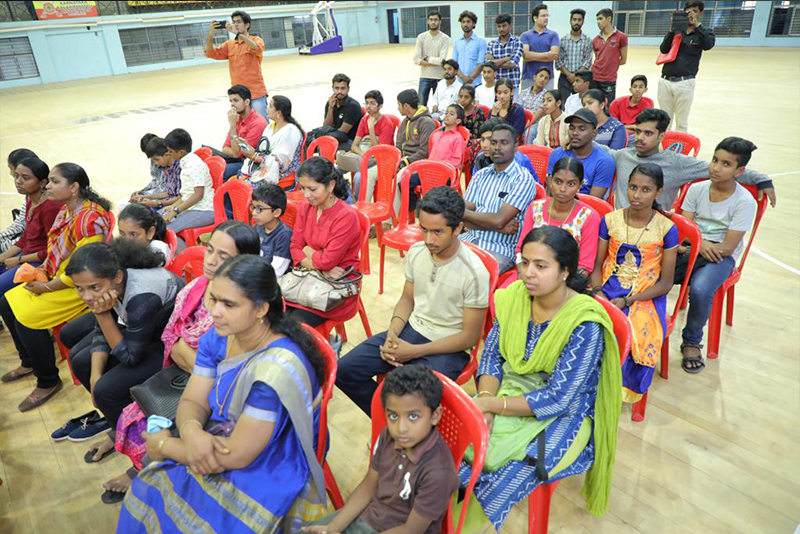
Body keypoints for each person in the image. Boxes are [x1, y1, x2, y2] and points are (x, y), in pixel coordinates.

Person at [117, 255, 329, 532]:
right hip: (222, 435)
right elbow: (192, 399)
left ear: (261, 309)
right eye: (213, 299)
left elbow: (236, 457)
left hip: (271, 460)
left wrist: (164, 446)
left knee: (164, 495)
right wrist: (192, 432)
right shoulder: (219, 337)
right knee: (148, 492)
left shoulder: (275, 368)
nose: (215, 311)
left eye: (229, 304)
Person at [459, 226, 621, 532]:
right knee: (450, 450)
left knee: (499, 477)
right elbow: (492, 357)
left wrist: (491, 405)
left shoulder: (584, 324)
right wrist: (486, 401)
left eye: (541, 266)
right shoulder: (514, 299)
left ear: (565, 271)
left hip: (566, 415)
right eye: (524, 262)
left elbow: (558, 398)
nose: (528, 273)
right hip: (507, 391)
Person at [110, 221, 260, 502]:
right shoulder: (195, 288)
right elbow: (173, 341)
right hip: (188, 376)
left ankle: (165, 480)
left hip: (223, 394)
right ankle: (151, 474)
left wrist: (188, 355)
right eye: (209, 250)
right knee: (135, 413)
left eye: (224, 256)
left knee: (154, 426)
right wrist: (188, 356)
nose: (211, 261)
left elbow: (222, 373)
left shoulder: (246, 314)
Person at [337, 187, 489, 415]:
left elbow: (469, 337)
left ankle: (401, 424)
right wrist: (392, 334)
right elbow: (407, 299)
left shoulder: (474, 272)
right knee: (344, 371)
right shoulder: (417, 251)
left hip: (449, 347)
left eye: (437, 232)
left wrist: (414, 351)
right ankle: (391, 422)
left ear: (458, 228)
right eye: (423, 229)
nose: (428, 239)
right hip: (412, 330)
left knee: (407, 400)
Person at [66, 240, 183, 477]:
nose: (87, 296)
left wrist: (102, 314)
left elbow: (130, 357)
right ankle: (118, 429)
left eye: (94, 287)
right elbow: (102, 329)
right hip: (146, 333)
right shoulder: (113, 283)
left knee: (106, 391)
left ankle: (143, 459)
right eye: (79, 288)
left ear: (117, 277)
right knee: (81, 362)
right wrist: (95, 377)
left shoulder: (141, 295)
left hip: (171, 343)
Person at [0, 163, 112, 410]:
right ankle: (29, 361)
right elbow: (55, 253)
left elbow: (84, 271)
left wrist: (47, 287)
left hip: (82, 287)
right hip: (58, 276)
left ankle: (48, 380)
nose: (48, 186)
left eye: (54, 181)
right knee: (6, 302)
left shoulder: (90, 220)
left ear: (74, 187)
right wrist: (44, 274)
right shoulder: (67, 210)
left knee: (27, 318)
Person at [308, 366, 459, 534]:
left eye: (413, 416)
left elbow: (411, 530)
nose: (401, 428)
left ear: (435, 416)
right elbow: (368, 487)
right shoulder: (388, 435)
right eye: (393, 416)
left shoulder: (438, 473)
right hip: (368, 516)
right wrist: (332, 528)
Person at [590, 163, 678, 403]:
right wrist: (599, 294)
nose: (637, 195)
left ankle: (612, 391)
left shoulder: (666, 229)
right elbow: (596, 267)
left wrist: (628, 300)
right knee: (581, 320)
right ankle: (583, 383)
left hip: (644, 295)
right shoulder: (610, 220)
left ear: (658, 192)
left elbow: (666, 283)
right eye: (632, 187)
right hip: (604, 289)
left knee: (636, 332)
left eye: (645, 190)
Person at [676, 137, 758, 373]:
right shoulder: (696, 189)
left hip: (720, 256)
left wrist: (697, 244)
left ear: (739, 171)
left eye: (726, 164)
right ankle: (650, 327)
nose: (716, 168)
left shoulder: (744, 201)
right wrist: (698, 244)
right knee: (654, 272)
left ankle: (691, 341)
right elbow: (685, 229)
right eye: (714, 160)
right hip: (693, 247)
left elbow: (728, 247)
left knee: (701, 290)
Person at [603, 108, 776, 209]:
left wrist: (761, 180)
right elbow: (597, 148)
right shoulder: (623, 156)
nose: (640, 138)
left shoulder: (677, 163)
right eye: (638, 132)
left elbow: (720, 169)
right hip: (619, 228)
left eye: (648, 133)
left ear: (661, 136)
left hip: (653, 233)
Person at [287, 157, 361, 327]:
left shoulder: (346, 216)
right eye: (303, 188)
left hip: (336, 288)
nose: (306, 195)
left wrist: (307, 250)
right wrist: (319, 266)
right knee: (272, 312)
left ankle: (324, 344)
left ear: (331, 185)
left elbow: (327, 261)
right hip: (309, 277)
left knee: (291, 326)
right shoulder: (305, 207)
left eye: (312, 189)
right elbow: (294, 246)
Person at [461, 124, 536, 273]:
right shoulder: (481, 175)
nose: (497, 147)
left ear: (515, 147)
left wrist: (492, 222)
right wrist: (496, 225)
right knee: (434, 258)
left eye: (504, 143)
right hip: (468, 239)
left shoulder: (522, 179)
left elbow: (499, 220)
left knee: (472, 275)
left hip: (498, 249)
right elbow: (460, 214)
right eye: (494, 142)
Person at [519, 157, 600, 275]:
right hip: (529, 273)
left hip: (566, 280)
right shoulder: (535, 207)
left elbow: (584, 266)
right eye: (558, 182)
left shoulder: (588, 217)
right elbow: (520, 249)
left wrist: (557, 282)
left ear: (580, 185)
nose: (563, 189)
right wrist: (522, 273)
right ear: (550, 181)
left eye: (571, 184)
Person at [0, 158, 62, 296]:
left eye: (26, 178)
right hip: (25, 256)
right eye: (16, 176)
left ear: (42, 182)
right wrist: (3, 257)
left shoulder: (50, 208)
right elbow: (25, 238)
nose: (18, 181)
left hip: (36, 263)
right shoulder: (31, 199)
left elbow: (52, 250)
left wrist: (18, 260)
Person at [658, 1, 715, 132]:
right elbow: (663, 49)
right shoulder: (677, 31)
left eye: (695, 11)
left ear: (701, 13)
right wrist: (672, 30)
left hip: (685, 82)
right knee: (664, 121)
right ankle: (663, 145)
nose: (691, 14)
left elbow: (708, 45)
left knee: (681, 123)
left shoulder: (704, 32)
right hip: (665, 81)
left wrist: (697, 25)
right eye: (688, 11)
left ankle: (679, 145)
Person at [204, 10, 268, 119]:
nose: (235, 24)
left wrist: (238, 34)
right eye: (234, 22)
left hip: (256, 93)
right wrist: (210, 34)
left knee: (261, 122)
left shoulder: (256, 40)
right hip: (238, 95)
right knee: (241, 124)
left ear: (247, 25)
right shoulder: (230, 44)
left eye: (239, 22)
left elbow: (256, 47)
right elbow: (211, 53)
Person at [162, 128, 215, 251]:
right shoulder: (186, 163)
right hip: (193, 207)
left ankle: (191, 257)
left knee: (165, 231)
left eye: (171, 151)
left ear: (181, 152)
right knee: (159, 221)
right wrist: (172, 206)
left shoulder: (195, 165)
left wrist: (176, 210)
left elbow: (198, 195)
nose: (169, 154)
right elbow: (186, 194)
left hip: (204, 210)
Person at [238, 95, 304, 188]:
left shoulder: (290, 131)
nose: (267, 108)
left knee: (243, 188)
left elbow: (280, 163)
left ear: (278, 113)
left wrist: (254, 157)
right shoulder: (270, 127)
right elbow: (263, 150)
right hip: (263, 168)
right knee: (238, 180)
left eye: (270, 106)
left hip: (281, 174)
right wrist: (249, 149)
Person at [547, 108, 615, 199]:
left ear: (594, 133)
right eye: (572, 128)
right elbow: (551, 192)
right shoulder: (556, 154)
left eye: (582, 129)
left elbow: (593, 201)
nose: (575, 133)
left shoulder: (604, 162)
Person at [220, 84, 268, 180]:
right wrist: (234, 151)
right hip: (238, 160)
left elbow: (238, 154)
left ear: (247, 102)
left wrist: (233, 126)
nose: (232, 104)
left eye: (236, 100)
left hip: (250, 163)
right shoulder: (238, 118)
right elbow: (225, 148)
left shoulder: (257, 123)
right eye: (231, 101)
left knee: (223, 171)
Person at [472, 117, 539, 183]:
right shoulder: (480, 159)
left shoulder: (518, 162)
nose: (484, 145)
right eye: (482, 139)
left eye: (490, 139)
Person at [0, 148, 39, 255]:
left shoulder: (44, 201)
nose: (10, 173)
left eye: (11, 169)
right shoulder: (30, 194)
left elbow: (35, 238)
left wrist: (4, 248)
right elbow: (21, 223)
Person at [127, 136, 181, 213]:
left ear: (167, 154)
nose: (155, 163)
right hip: (165, 202)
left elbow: (180, 196)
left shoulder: (179, 168)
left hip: (174, 205)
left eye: (157, 159)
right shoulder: (166, 167)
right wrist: (144, 196)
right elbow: (169, 192)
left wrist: (157, 203)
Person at [251, 182, 292, 277]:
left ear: (276, 212)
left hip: (270, 279)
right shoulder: (258, 227)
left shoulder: (284, 235)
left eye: (259, 209)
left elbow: (277, 271)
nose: (254, 213)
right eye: (253, 207)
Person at [317, 72, 363, 152]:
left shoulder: (353, 106)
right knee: (309, 142)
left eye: (343, 88)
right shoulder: (330, 102)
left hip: (349, 141)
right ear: (333, 88)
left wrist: (323, 136)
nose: (339, 91)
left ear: (348, 89)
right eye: (337, 88)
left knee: (323, 147)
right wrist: (330, 108)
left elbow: (342, 132)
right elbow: (326, 126)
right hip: (333, 137)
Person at [413, 11, 450, 107]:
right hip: (424, 76)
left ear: (440, 21)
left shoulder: (445, 38)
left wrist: (426, 58)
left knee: (439, 106)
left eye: (436, 20)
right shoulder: (421, 37)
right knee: (420, 106)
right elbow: (416, 59)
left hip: (439, 77)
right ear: (427, 21)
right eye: (431, 20)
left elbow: (442, 60)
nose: (433, 22)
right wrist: (435, 61)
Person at [556, 8, 593, 103]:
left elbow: (587, 61)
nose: (576, 22)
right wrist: (569, 75)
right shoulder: (563, 40)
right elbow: (559, 60)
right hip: (565, 78)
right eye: (574, 19)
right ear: (570, 21)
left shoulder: (588, 41)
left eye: (579, 20)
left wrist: (576, 76)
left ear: (583, 22)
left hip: (582, 78)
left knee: (581, 103)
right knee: (563, 104)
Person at [520, 4, 560, 92]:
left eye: (547, 16)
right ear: (535, 18)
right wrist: (547, 55)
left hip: (547, 79)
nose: (546, 18)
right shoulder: (525, 35)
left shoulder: (553, 35)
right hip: (529, 77)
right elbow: (526, 56)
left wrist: (532, 56)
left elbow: (553, 55)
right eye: (543, 16)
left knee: (547, 100)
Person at [123, 133, 167, 211]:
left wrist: (144, 196)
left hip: (163, 200)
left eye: (156, 158)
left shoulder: (169, 164)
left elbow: (166, 191)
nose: (154, 162)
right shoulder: (154, 160)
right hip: (155, 196)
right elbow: (154, 181)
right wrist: (141, 192)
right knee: (123, 204)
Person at [592, 8, 628, 103]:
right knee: (594, 106)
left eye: (600, 19)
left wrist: (610, 66)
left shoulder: (621, 37)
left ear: (609, 19)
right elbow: (598, 58)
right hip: (595, 78)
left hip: (609, 80)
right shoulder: (595, 40)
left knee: (609, 107)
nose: (598, 22)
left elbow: (623, 60)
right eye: (597, 19)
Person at [395, 89, 437, 168]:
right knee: (378, 170)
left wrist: (406, 161)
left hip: (416, 163)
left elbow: (424, 152)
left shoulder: (426, 123)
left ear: (405, 106)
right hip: (402, 159)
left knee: (395, 175)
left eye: (399, 105)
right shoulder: (405, 121)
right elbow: (398, 145)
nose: (398, 108)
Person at [486, 14, 523, 92]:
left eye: (504, 26)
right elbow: (488, 64)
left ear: (510, 26)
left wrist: (494, 63)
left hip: (512, 87)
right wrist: (505, 59)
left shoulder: (517, 42)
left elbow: (512, 64)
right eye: (499, 26)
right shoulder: (491, 44)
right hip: (496, 86)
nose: (501, 29)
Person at [452, 10, 486, 87]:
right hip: (459, 83)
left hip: (475, 83)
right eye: (463, 22)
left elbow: (481, 63)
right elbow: (454, 63)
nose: (465, 24)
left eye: (468, 22)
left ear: (473, 23)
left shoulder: (481, 41)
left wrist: (471, 78)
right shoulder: (457, 42)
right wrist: (463, 78)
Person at [429, 104, 468, 170]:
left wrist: (442, 165)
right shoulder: (436, 134)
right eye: (446, 113)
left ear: (458, 121)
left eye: (451, 114)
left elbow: (456, 161)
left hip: (445, 171)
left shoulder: (458, 138)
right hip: (430, 169)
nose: (447, 115)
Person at [457, 84, 487, 169]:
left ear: (473, 98)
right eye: (461, 96)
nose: (463, 100)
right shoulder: (458, 111)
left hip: (472, 143)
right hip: (458, 142)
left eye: (466, 97)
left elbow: (476, 136)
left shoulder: (478, 113)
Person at [519, 66, 552, 134]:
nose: (542, 79)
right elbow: (518, 110)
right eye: (541, 76)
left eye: (546, 78)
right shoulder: (524, 92)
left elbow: (535, 117)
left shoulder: (546, 96)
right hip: (521, 120)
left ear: (547, 82)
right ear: (534, 77)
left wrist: (522, 128)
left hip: (536, 123)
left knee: (529, 132)